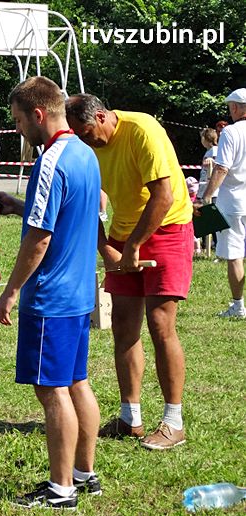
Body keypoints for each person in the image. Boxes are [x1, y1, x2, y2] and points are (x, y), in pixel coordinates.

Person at [0, 76, 101, 510]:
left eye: (18, 121)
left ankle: (60, 489)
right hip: (78, 293)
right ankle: (84, 474)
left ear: (38, 115)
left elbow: (40, 238)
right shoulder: (85, 154)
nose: (18, 130)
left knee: (51, 391)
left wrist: (11, 290)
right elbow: (70, 213)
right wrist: (18, 206)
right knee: (76, 382)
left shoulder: (50, 162)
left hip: (50, 297)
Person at [66, 93, 193, 451]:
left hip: (166, 228)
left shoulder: (142, 130)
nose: (85, 141)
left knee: (160, 323)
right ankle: (130, 418)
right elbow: (84, 201)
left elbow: (163, 196)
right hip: (123, 235)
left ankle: (173, 422)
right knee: (123, 325)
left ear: (101, 116)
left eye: (86, 132)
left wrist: (135, 245)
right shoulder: (85, 147)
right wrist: (106, 247)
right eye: (77, 135)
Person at [200, 88, 246, 318]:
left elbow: (222, 168)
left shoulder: (230, 132)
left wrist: (206, 196)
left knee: (235, 254)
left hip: (234, 202)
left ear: (235, 108)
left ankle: (238, 306)